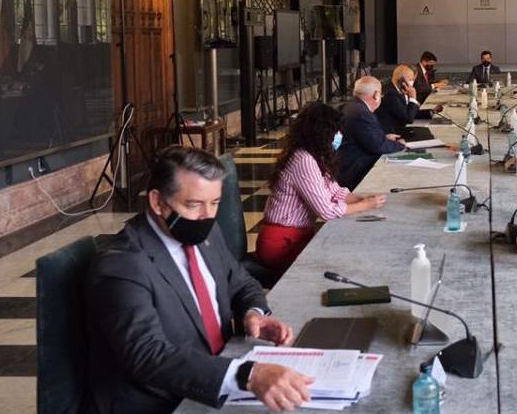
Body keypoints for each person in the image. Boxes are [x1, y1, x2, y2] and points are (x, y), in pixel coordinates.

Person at [86, 146, 314, 413]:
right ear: (158, 202)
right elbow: (149, 355)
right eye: (194, 204)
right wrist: (247, 375)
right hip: (162, 400)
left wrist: (253, 314)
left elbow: (240, 280)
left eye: (215, 203)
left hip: (219, 373)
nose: (207, 216)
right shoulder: (122, 264)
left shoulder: (205, 232)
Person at [257, 103, 386, 273]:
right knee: (339, 264)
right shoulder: (303, 160)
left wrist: (364, 199)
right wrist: (364, 205)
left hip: (298, 236)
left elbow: (334, 191)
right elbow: (325, 211)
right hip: (281, 243)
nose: (339, 136)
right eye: (335, 132)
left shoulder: (315, 156)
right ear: (321, 133)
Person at [338, 76, 406, 189]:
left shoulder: (350, 106)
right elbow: (378, 146)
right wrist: (400, 145)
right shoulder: (362, 113)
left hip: (344, 165)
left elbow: (365, 137)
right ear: (376, 95)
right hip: (353, 172)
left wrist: (384, 138)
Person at [376, 65, 441, 136]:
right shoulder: (391, 93)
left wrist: (430, 112)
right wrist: (413, 97)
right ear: (401, 80)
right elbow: (408, 119)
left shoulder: (398, 90)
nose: (412, 82)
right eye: (410, 79)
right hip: (391, 133)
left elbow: (407, 111)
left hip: (398, 129)